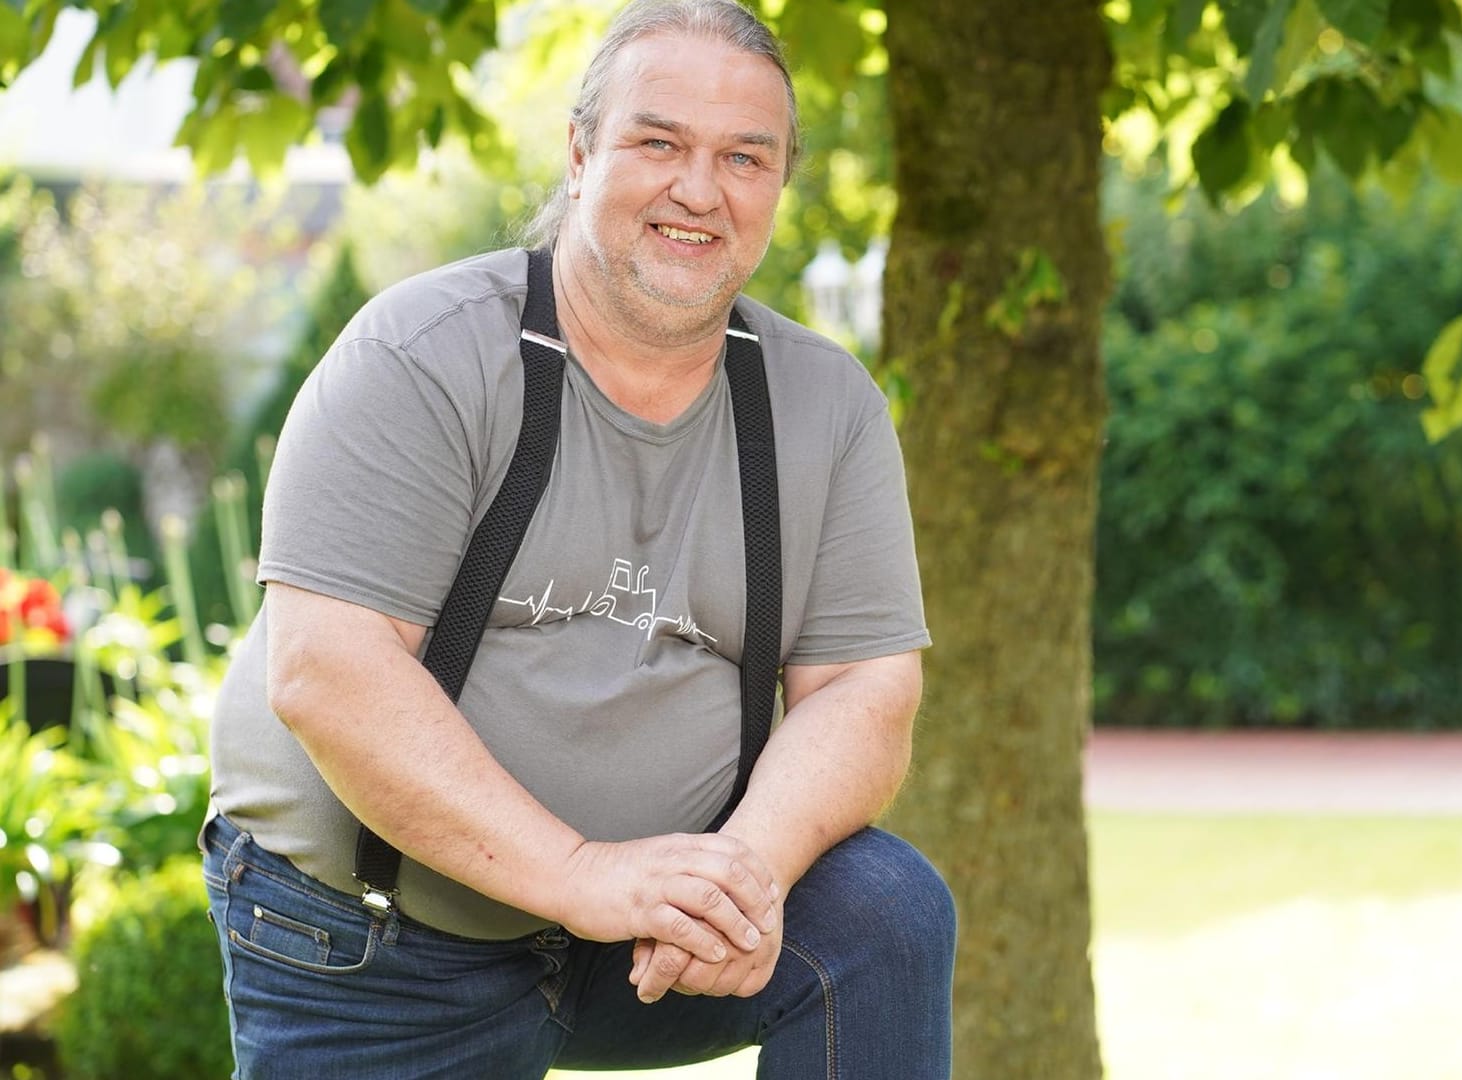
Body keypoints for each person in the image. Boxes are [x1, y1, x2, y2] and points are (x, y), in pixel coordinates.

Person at [200, 0, 956, 1076]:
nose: (700, 189)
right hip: (374, 945)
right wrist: (583, 872)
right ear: (578, 153)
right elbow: (329, 671)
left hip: (652, 943)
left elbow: (863, 694)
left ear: (780, 186)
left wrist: (738, 875)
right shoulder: (420, 356)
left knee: (886, 911)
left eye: (746, 157)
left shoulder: (828, 408)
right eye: (659, 143)